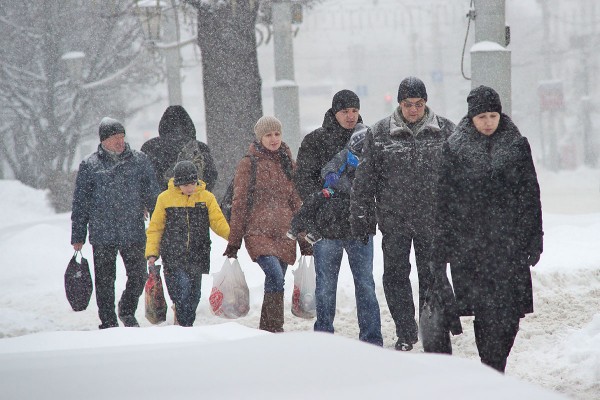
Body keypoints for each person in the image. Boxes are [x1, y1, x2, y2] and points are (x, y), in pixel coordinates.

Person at [433, 85, 543, 372]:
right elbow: (444, 200)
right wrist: (442, 244)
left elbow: (530, 194)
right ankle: (491, 368)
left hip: (510, 244)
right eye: (482, 116)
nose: (488, 122)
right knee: (485, 312)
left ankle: (496, 362)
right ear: (471, 118)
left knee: (511, 314)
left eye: (493, 115)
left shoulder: (517, 145)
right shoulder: (454, 149)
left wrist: (535, 237)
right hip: (471, 246)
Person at [350, 77, 456, 351]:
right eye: (408, 104)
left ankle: (431, 328)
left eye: (419, 104)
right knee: (395, 276)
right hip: (394, 220)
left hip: (433, 221)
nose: (413, 110)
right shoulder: (380, 132)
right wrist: (362, 217)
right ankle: (406, 332)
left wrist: (460, 215)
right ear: (399, 104)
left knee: (431, 277)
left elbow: (460, 179)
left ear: (426, 103)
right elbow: (365, 179)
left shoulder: (445, 131)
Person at [294, 90, 383, 346]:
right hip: (327, 228)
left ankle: (372, 338)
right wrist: (322, 204)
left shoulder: (369, 138)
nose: (350, 116)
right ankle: (324, 338)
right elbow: (304, 181)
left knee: (365, 285)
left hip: (360, 224)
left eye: (354, 110)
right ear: (334, 112)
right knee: (325, 288)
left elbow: (379, 177)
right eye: (345, 111)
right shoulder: (315, 141)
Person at [71, 117, 160, 329]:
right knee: (104, 282)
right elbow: (80, 203)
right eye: (115, 138)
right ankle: (108, 322)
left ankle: (127, 308)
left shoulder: (139, 161)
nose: (120, 141)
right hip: (102, 234)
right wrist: (78, 236)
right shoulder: (90, 166)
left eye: (122, 137)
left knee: (138, 275)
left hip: (133, 230)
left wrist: (159, 224)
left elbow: (153, 196)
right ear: (104, 141)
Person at [223, 116, 310, 333]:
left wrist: (304, 238)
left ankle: (269, 328)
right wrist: (234, 242)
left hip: (285, 233)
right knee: (275, 276)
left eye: (277, 134)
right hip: (257, 232)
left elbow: (296, 202)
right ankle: (274, 328)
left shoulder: (288, 163)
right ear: (260, 137)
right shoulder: (248, 163)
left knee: (276, 282)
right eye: (268, 135)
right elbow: (239, 203)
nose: (273, 139)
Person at [145, 161, 230, 327]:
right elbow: (155, 228)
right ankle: (184, 327)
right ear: (177, 184)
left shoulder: (206, 198)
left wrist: (232, 238)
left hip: (198, 254)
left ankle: (186, 324)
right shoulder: (165, 199)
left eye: (193, 183)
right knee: (182, 290)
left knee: (194, 295)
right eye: (185, 184)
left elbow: (218, 221)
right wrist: (152, 253)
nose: (190, 188)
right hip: (172, 255)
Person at [287, 124, 368, 244]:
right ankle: (298, 225)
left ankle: (313, 230)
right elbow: (331, 166)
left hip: (347, 197)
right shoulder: (346, 154)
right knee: (313, 201)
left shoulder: (368, 162)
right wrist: (330, 174)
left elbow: (361, 185)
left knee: (328, 210)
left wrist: (343, 185)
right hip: (332, 190)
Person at [141, 105, 218, 191]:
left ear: (162, 125)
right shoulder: (200, 148)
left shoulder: (150, 147)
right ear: (189, 125)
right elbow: (211, 175)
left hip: (163, 202)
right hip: (194, 200)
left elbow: (143, 179)